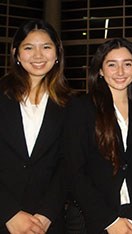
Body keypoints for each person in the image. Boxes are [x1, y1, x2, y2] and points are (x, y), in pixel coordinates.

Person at [64, 38, 132, 234]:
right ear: (100, 70)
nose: (120, 72)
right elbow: (74, 171)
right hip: (91, 220)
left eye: (127, 64)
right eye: (112, 64)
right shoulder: (81, 108)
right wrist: (110, 221)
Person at [0, 19, 71, 233]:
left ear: (57, 54)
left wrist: (46, 215)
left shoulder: (71, 104)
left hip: (46, 223)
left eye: (46, 47)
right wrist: (8, 213)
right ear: (16, 54)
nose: (38, 55)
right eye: (29, 48)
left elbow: (69, 164)